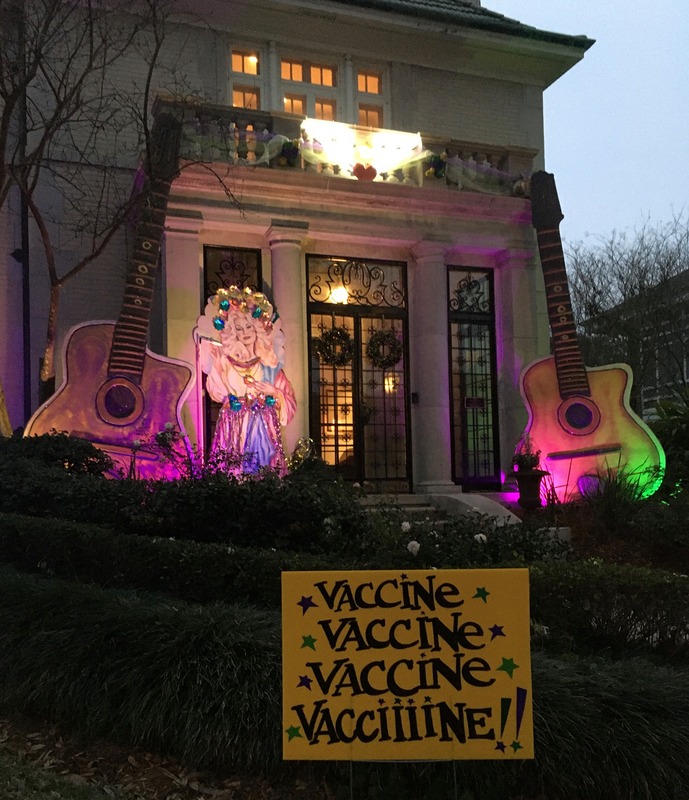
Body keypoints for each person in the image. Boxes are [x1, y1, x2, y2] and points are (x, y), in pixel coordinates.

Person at [196, 286, 296, 475]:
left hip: (265, 436)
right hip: (234, 432)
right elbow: (216, 394)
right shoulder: (225, 363)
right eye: (239, 328)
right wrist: (216, 361)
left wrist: (274, 393)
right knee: (235, 475)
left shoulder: (270, 367)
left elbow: (290, 402)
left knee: (264, 477)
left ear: (257, 329)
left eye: (249, 326)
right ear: (233, 332)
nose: (245, 332)